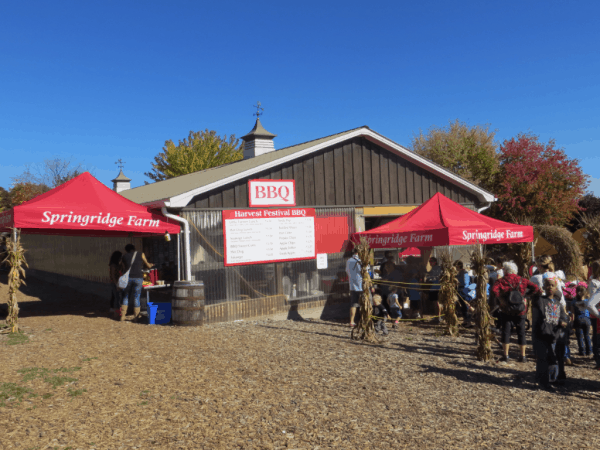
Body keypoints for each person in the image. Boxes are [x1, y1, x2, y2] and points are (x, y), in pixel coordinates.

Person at [491, 261, 541, 363]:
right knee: (521, 332)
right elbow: (536, 288)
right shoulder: (522, 279)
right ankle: (523, 356)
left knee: (506, 332)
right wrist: (526, 295)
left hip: (506, 310)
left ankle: (506, 355)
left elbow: (494, 290)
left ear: (505, 270)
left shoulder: (501, 281)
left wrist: (500, 299)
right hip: (520, 310)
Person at [532, 275, 569, 390]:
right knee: (543, 359)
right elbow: (536, 318)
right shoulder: (540, 301)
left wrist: (563, 322)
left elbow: (563, 317)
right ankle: (543, 382)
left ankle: (553, 379)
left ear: (556, 287)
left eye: (552, 285)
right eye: (547, 285)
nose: (550, 287)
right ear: (543, 286)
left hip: (555, 334)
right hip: (542, 334)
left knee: (553, 358)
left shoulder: (557, 302)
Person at [120, 244, 154, 322]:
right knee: (136, 297)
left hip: (127, 278)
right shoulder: (141, 254)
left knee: (125, 296)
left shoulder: (124, 256)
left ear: (126, 250)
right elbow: (148, 265)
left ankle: (123, 316)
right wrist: (151, 265)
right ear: (134, 248)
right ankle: (136, 317)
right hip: (138, 277)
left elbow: (122, 267)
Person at [568, 283, 592, 357]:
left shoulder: (574, 302)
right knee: (587, 335)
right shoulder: (588, 301)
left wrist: (570, 319)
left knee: (580, 337)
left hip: (578, 320)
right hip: (587, 320)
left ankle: (582, 351)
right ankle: (589, 351)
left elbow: (572, 313)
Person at [587, 260, 600, 369]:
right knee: (596, 336)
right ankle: (597, 358)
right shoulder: (594, 282)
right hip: (596, 313)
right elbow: (592, 300)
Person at [346, 248, 362, 327]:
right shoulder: (360, 261)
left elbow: (347, 271)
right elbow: (363, 271)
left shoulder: (349, 261)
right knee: (364, 303)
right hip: (361, 285)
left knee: (354, 304)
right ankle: (364, 320)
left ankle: (352, 321)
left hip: (352, 285)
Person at [425, 257, 442, 323]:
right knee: (436, 303)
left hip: (436, 288)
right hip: (434, 288)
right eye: (429, 262)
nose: (430, 263)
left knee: (436, 303)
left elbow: (437, 277)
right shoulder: (434, 269)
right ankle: (438, 316)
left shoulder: (437, 268)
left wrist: (429, 278)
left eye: (431, 262)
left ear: (434, 262)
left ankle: (438, 317)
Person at [108, 251, 123, 318]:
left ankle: (115, 310)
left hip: (117, 282)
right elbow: (113, 276)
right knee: (117, 297)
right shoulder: (113, 265)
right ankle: (116, 312)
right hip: (115, 283)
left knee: (115, 296)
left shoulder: (117, 264)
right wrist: (116, 284)